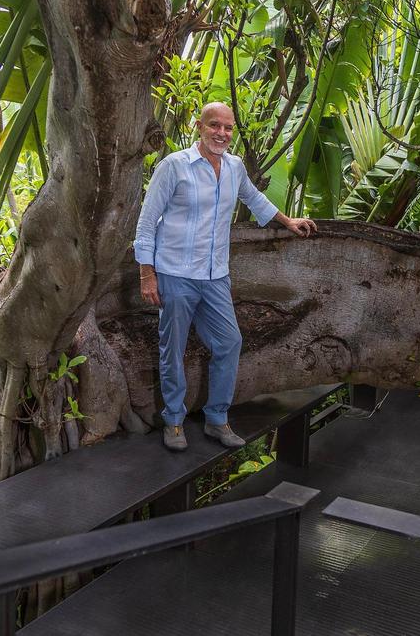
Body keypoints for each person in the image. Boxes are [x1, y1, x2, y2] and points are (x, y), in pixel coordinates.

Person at [134, 102, 317, 452]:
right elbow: (146, 221)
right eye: (214, 125)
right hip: (175, 273)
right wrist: (147, 274)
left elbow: (254, 198)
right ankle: (173, 420)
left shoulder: (234, 167)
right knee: (172, 348)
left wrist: (288, 221)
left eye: (228, 128)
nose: (221, 133)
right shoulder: (174, 167)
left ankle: (217, 418)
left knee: (229, 342)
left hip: (215, 275)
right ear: (199, 127)